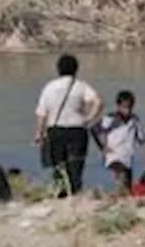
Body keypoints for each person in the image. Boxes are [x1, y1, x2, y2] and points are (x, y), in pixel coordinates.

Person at [33, 54, 103, 197]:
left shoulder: (49, 87)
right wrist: (89, 118)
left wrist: (38, 133)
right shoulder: (80, 86)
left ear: (58, 69)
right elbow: (98, 102)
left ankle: (60, 195)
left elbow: (41, 112)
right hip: (77, 130)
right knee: (76, 165)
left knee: (58, 166)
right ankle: (75, 195)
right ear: (76, 69)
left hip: (55, 130)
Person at [98, 90, 145, 196]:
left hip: (127, 156)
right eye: (125, 107)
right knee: (121, 176)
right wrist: (104, 146)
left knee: (127, 184)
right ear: (118, 106)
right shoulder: (110, 118)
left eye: (130, 107)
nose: (128, 110)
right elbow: (97, 130)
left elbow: (141, 140)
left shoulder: (134, 120)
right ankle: (116, 195)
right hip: (114, 155)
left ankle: (117, 197)